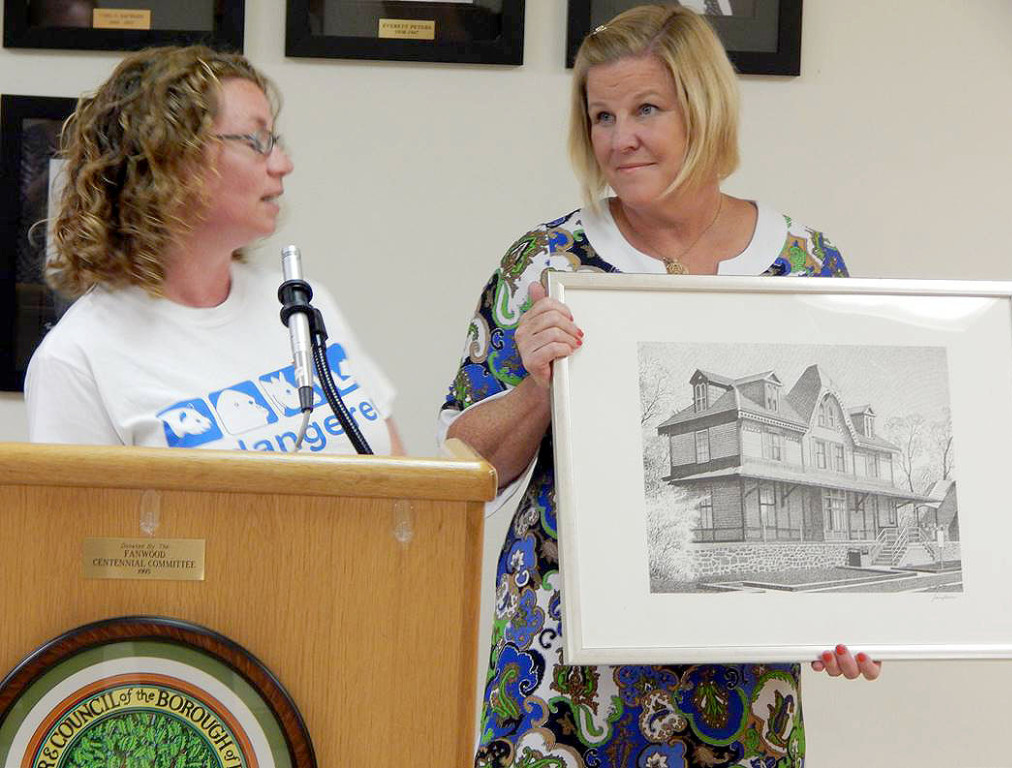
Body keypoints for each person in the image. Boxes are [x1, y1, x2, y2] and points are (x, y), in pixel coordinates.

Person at [440, 6, 878, 766]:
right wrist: (538, 387)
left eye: (646, 109)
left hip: (738, 677)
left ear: (704, 110)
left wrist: (852, 617)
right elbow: (463, 470)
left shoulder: (806, 266)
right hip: (564, 676)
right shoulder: (547, 262)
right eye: (601, 116)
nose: (619, 139)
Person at [26, 46, 402, 455]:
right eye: (257, 141)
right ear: (170, 157)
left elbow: (402, 482)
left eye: (274, 140)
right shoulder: (77, 359)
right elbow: (80, 519)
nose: (283, 164)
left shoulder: (304, 306)